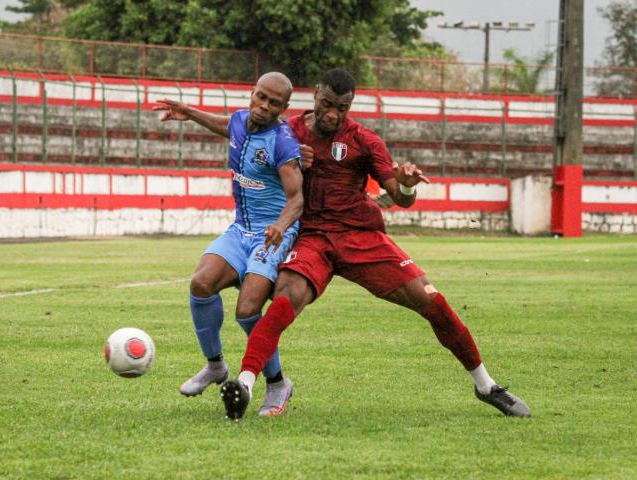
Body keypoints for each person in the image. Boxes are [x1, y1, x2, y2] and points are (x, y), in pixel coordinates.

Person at [220, 68, 531, 420]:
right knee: (285, 298)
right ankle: (244, 384)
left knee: (433, 302)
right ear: (315, 97)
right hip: (312, 238)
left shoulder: (365, 141)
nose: (333, 114)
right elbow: (243, 139)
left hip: (361, 237)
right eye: (326, 104)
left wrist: (407, 184)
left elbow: (399, 197)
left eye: (342, 107)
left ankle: (486, 386)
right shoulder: (287, 131)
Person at [153, 72, 306, 416]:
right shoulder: (240, 120)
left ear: (284, 108)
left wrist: (281, 226)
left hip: (272, 234)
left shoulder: (282, 142)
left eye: (273, 103)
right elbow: (227, 125)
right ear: (252, 93)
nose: (264, 107)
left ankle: (278, 383)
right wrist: (188, 112)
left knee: (247, 310)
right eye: (260, 97)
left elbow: (297, 198)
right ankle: (216, 366)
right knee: (201, 283)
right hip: (240, 230)